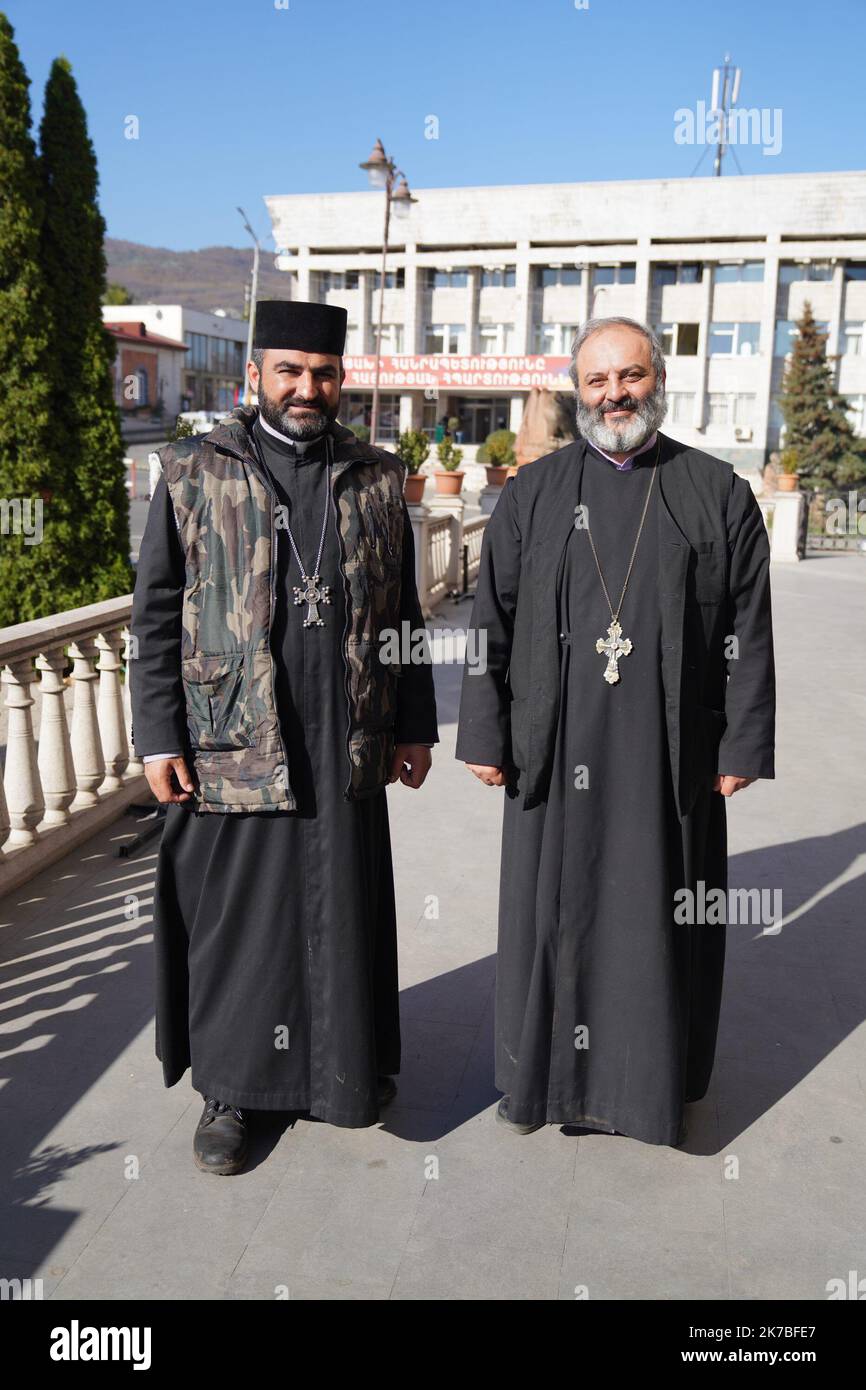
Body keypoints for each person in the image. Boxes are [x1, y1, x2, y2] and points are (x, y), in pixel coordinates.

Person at [131, 300, 438, 1175]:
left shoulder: (377, 478)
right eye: (291, 371)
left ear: (342, 379)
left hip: (347, 733)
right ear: (255, 376)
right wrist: (159, 738)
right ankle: (230, 1093)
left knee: (343, 907)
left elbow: (402, 614)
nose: (308, 388)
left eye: (325, 373)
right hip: (234, 736)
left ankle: (342, 1074)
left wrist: (414, 723)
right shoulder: (193, 471)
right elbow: (155, 615)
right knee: (241, 925)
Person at [455, 316, 775, 1147]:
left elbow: (750, 626)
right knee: (548, 918)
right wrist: (485, 734)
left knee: (659, 921)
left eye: (630, 376)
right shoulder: (532, 492)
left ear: (657, 381)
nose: (615, 395)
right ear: (577, 390)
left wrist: (741, 744)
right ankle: (543, 1081)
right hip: (551, 750)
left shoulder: (717, 491)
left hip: (672, 756)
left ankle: (647, 1089)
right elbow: (492, 618)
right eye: (597, 381)